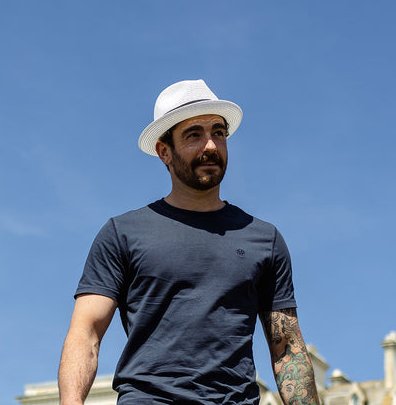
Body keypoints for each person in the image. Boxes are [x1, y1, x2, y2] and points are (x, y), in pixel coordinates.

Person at [58, 79, 320, 405]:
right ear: (164, 152)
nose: (210, 145)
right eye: (194, 134)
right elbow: (86, 334)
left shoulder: (265, 239)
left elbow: (288, 350)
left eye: (218, 133)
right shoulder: (122, 233)